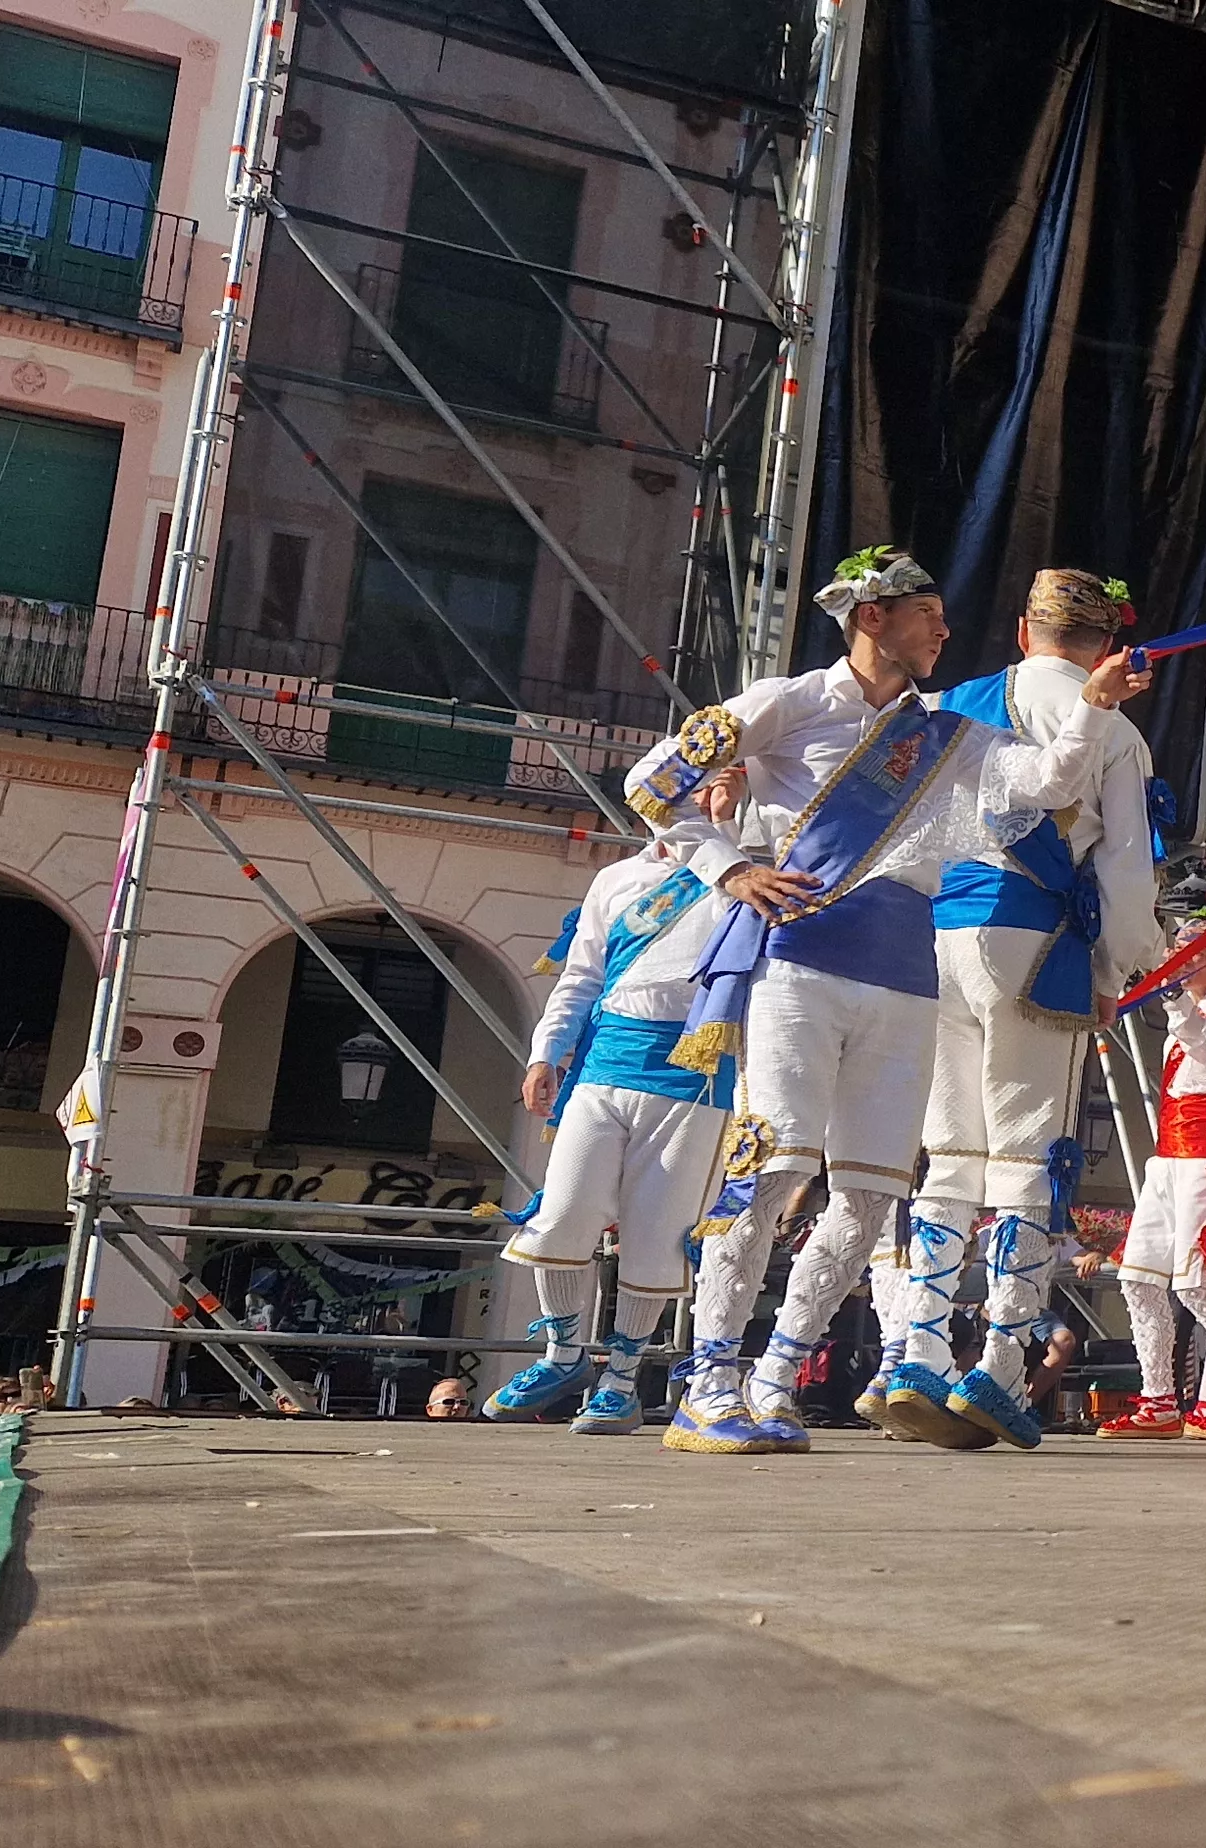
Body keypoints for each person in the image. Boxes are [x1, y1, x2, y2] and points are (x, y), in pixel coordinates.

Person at [635, 545, 1150, 1456]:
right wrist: (731, 867)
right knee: (775, 1168)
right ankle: (707, 1383)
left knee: (871, 1194)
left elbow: (1045, 785)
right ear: (874, 617)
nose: (946, 631)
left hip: (911, 972)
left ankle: (774, 1381)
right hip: (801, 958)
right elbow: (650, 785)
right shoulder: (787, 702)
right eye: (928, 615)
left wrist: (1096, 711)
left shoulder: (944, 729)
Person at [897, 568, 1167, 1451]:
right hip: (1034, 940)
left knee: (949, 1151)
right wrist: (1131, 960)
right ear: (1105, 645)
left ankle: (918, 1356)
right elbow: (1126, 873)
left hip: (938, 933)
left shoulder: (952, 705)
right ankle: (1000, 1369)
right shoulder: (1113, 731)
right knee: (1026, 1154)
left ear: (1024, 631)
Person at [488, 769, 755, 1436]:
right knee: (563, 1212)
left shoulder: (745, 873)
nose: (689, 800)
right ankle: (564, 1353)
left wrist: (723, 833)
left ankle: (622, 1379)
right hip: (606, 1062)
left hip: (693, 1073)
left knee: (656, 1232)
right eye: (681, 788)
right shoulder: (614, 880)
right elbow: (580, 976)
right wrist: (546, 1052)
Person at [1099, 889, 1206, 1440]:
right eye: (1176, 945)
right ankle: (1158, 1399)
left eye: (1192, 948)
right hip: (1167, 1159)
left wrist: (1176, 1004)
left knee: (1198, 1285)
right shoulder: (1197, 1007)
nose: (1180, 954)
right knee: (1138, 1276)